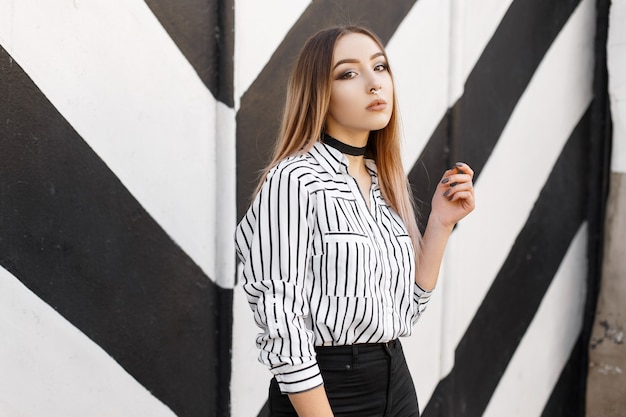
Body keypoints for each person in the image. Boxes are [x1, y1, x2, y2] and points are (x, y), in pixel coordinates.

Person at [235, 25, 475, 417]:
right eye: (348, 73)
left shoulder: (382, 184)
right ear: (319, 94)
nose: (373, 83)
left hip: (396, 383)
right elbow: (282, 324)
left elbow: (403, 312)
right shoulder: (294, 180)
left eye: (380, 67)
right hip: (327, 394)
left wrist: (441, 224)